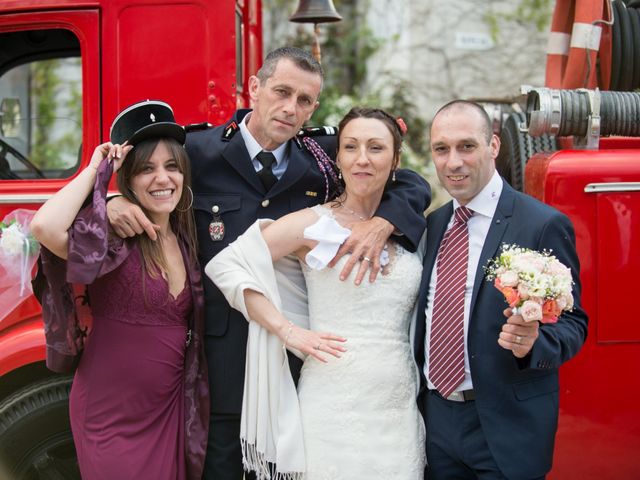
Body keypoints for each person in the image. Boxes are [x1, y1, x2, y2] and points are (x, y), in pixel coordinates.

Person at [106, 47, 431, 479]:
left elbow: (405, 178)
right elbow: (146, 178)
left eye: (304, 100)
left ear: (314, 106)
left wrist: (385, 221)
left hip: (302, 357)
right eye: (282, 92)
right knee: (222, 461)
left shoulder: (323, 157)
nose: (290, 108)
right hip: (220, 348)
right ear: (255, 88)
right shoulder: (198, 152)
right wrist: (112, 202)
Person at [207, 107, 427, 479]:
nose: (362, 159)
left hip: (399, 404)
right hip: (332, 399)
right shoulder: (312, 223)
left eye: (376, 148)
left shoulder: (408, 227)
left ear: (396, 160)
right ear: (337, 157)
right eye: (351, 147)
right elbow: (226, 265)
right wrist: (287, 330)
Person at [31, 100, 209, 479]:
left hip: (171, 409)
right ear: (128, 177)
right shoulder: (111, 237)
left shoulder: (187, 234)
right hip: (110, 417)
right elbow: (45, 227)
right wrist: (97, 172)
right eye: (147, 169)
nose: (163, 179)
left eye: (172, 167)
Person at [414, 100, 588, 480]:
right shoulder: (433, 224)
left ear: (493, 146)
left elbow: (574, 323)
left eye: (467, 146)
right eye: (441, 149)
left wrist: (533, 344)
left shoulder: (541, 224)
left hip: (508, 427)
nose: (453, 161)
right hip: (437, 424)